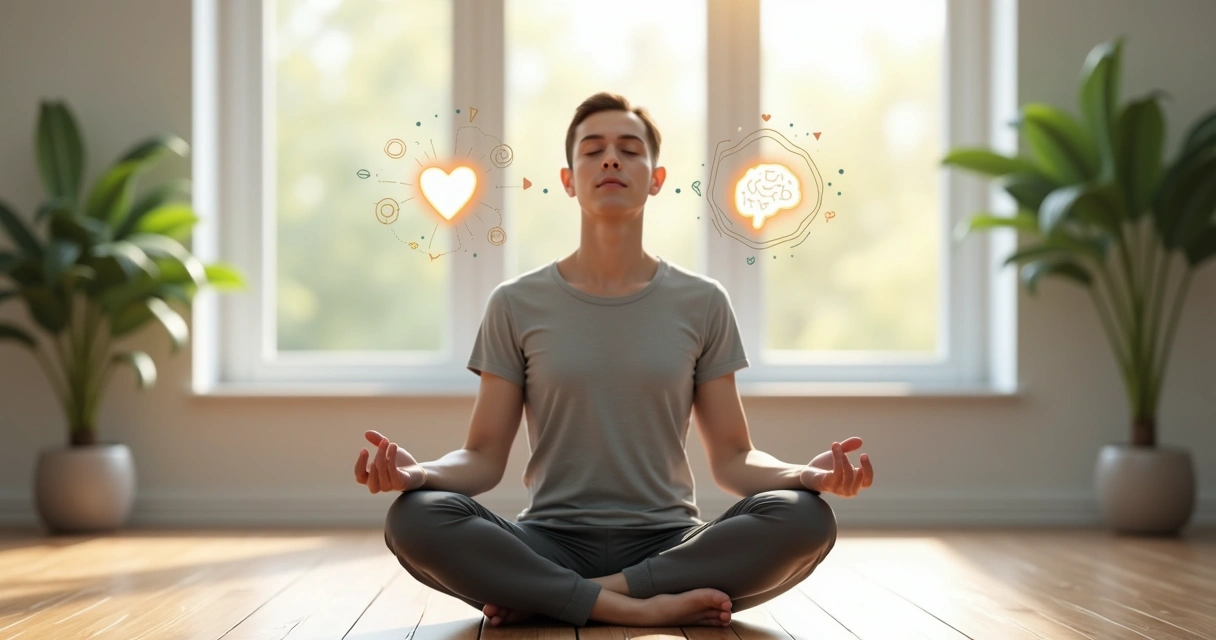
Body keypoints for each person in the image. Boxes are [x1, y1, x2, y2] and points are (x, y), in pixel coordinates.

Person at [355, 92, 875, 628]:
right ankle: (636, 606)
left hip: (670, 544)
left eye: (629, 149)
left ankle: (565, 598)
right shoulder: (515, 303)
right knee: (414, 517)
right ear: (567, 179)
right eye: (592, 150)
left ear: (656, 178)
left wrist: (802, 475)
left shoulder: (703, 302)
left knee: (806, 517)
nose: (610, 160)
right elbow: (482, 457)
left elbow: (734, 459)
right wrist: (420, 474)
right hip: (548, 542)